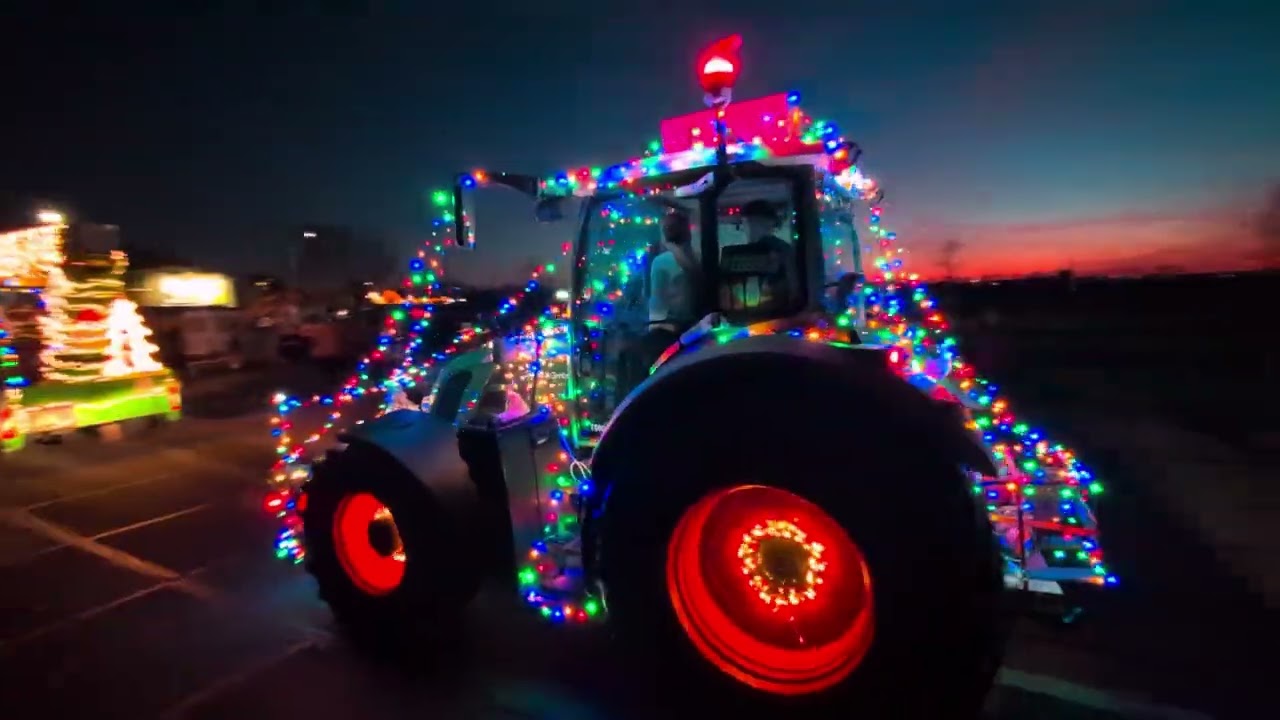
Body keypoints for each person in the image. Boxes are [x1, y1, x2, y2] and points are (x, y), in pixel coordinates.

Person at [615, 209, 701, 403]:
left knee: (628, 356)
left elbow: (656, 302)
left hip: (669, 330)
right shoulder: (698, 257)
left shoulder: (661, 262)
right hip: (693, 327)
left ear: (665, 233)